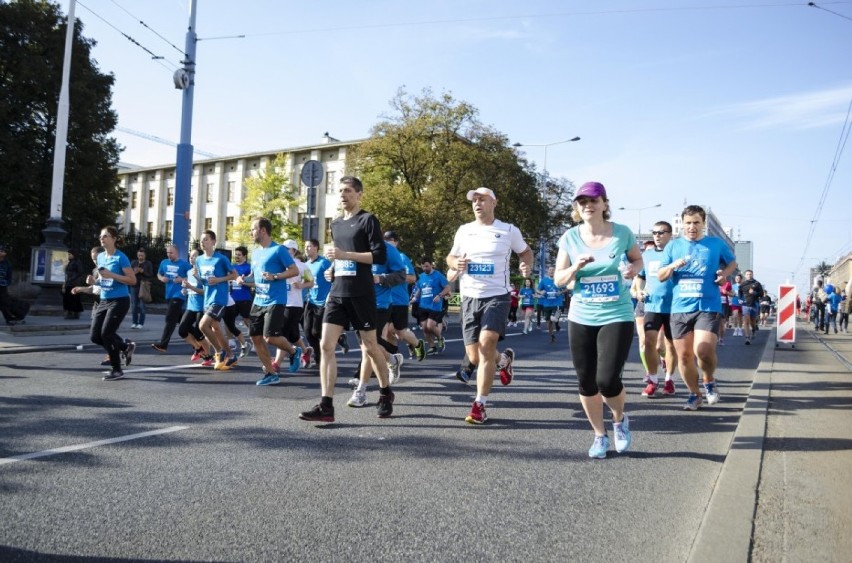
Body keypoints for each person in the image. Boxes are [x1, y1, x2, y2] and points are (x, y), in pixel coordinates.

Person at [553, 182, 641, 458]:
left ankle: (618, 419)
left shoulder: (622, 234)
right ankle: (599, 436)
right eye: (582, 202)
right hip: (581, 314)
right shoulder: (569, 237)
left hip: (617, 313)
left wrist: (631, 270)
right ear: (577, 208)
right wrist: (575, 267)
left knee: (606, 379)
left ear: (604, 204)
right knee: (586, 381)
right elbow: (559, 279)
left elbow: (638, 261)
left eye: (593, 200)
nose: (587, 205)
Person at [299, 176, 393, 422]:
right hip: (338, 292)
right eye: (340, 190)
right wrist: (333, 267)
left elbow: (379, 256)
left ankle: (385, 393)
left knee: (371, 348)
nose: (343, 195)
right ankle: (326, 405)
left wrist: (345, 254)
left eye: (348, 191)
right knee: (325, 345)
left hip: (361, 293)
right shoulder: (337, 223)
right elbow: (339, 257)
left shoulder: (368, 220)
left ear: (359, 194)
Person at [446, 186, 534, 425]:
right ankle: (503, 361)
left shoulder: (508, 230)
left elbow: (525, 252)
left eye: (482, 199)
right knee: (474, 356)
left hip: (497, 296)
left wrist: (525, 266)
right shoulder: (464, 231)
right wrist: (457, 262)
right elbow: (450, 257)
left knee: (486, 345)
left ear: (493, 202)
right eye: (474, 200)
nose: (477, 203)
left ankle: (479, 405)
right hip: (469, 296)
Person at [658, 205, 737, 411]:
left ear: (703, 224)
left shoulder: (715, 244)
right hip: (679, 308)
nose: (692, 227)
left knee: (703, 350)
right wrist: (672, 266)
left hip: (707, 304)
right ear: (682, 224)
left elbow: (732, 263)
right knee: (683, 356)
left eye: (696, 223)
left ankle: (709, 380)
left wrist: (724, 275)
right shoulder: (673, 247)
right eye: (688, 223)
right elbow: (661, 275)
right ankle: (695, 394)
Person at [72, 226, 137, 381]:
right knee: (95, 336)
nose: (102, 238)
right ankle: (124, 347)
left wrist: (112, 275)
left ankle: (117, 369)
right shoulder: (101, 257)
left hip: (120, 300)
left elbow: (132, 280)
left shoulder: (121, 257)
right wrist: (87, 286)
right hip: (104, 300)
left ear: (114, 238)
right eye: (101, 236)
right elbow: (103, 281)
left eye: (106, 236)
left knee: (106, 333)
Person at [245, 218, 300, 385]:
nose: (251, 232)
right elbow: (255, 275)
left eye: (253, 229)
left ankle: (293, 351)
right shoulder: (255, 252)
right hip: (259, 300)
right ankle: (271, 373)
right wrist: (244, 279)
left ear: (263, 230)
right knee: (255, 338)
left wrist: (276, 276)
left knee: (270, 337)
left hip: (276, 299)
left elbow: (294, 270)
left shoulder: (279, 250)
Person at [634, 222, 678, 397]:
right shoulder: (647, 255)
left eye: (661, 232)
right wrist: (639, 290)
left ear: (670, 234)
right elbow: (640, 276)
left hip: (674, 306)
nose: (657, 236)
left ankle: (669, 379)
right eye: (654, 233)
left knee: (670, 345)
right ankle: (653, 380)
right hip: (652, 305)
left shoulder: (677, 253)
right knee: (648, 342)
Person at [196, 230, 239, 370]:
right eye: (202, 240)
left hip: (219, 298)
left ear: (213, 242)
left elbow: (234, 275)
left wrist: (219, 279)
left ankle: (219, 352)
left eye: (206, 239)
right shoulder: (199, 260)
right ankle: (230, 354)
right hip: (207, 298)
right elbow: (204, 281)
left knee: (203, 325)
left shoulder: (221, 259)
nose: (203, 242)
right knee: (216, 328)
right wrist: (196, 278)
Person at [382, 231, 426, 361]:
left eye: (390, 240)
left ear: (396, 242)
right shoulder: (382, 257)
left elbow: (412, 278)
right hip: (384, 300)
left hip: (399, 300)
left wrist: (392, 278)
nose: (387, 242)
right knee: (387, 331)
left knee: (398, 332)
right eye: (385, 240)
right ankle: (393, 359)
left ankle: (417, 344)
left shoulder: (401, 257)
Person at [151, 244, 191, 353]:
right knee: (181, 322)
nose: (169, 255)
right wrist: (161, 278)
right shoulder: (164, 262)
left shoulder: (184, 264)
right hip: (169, 294)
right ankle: (198, 337)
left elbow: (193, 276)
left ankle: (163, 345)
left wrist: (182, 279)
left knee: (169, 319)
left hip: (179, 295)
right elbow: (159, 273)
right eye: (167, 253)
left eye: (171, 253)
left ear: (177, 253)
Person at [302, 238, 332, 369]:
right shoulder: (306, 264)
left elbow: (333, 279)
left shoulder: (324, 263)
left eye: (308, 246)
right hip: (311, 301)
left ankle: (326, 355)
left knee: (316, 332)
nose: (306, 249)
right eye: (305, 247)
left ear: (316, 248)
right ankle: (319, 359)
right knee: (308, 332)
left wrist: (330, 297)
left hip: (323, 302)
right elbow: (308, 282)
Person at [178, 248, 212, 363]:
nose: (191, 258)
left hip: (201, 307)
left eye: (194, 256)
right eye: (190, 256)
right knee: (182, 330)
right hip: (190, 306)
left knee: (198, 332)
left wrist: (191, 287)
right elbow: (189, 288)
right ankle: (198, 348)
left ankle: (208, 355)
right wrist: (185, 290)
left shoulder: (202, 272)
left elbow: (205, 291)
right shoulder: (189, 272)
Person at [413, 258, 451, 354]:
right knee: (425, 328)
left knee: (430, 326)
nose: (425, 268)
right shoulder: (420, 277)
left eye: (427, 266)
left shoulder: (438, 275)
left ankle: (440, 338)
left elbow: (447, 288)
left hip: (435, 306)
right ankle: (432, 347)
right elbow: (420, 290)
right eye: (423, 266)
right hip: (423, 305)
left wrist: (440, 295)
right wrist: (414, 298)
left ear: (431, 265)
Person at [229, 245, 254, 358]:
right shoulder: (232, 267)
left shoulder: (248, 268)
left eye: (239, 255)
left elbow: (253, 284)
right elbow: (228, 278)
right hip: (233, 298)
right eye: (236, 254)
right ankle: (231, 341)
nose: (236, 256)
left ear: (244, 256)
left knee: (247, 320)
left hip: (245, 298)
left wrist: (243, 282)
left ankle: (254, 341)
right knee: (228, 320)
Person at [537, 266, 564, 343]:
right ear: (548, 272)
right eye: (550, 270)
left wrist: (561, 292)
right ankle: (552, 335)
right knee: (548, 322)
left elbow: (567, 288)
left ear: (555, 271)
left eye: (553, 270)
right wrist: (540, 292)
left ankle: (557, 324)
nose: (551, 271)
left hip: (557, 303)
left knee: (554, 318)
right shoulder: (544, 281)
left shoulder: (559, 280)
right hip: (547, 304)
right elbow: (537, 290)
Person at [738, 270, 764, 345]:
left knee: (752, 320)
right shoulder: (742, 284)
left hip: (754, 303)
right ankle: (747, 337)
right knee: (746, 321)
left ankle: (753, 329)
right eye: (747, 274)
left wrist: (755, 293)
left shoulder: (757, 283)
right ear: (745, 275)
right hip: (745, 304)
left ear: (752, 275)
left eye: (750, 274)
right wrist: (740, 299)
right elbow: (740, 292)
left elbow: (761, 294)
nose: (749, 275)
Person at [129, 248, 153, 329]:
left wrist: (142, 271)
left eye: (142, 255)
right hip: (134, 285)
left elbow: (150, 275)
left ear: (145, 255)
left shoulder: (148, 263)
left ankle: (141, 323)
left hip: (143, 286)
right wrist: (135, 271)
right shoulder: (134, 262)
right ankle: (134, 322)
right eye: (139, 255)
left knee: (142, 305)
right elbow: (129, 272)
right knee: (134, 305)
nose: (140, 257)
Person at [62, 249, 85, 319]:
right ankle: (69, 312)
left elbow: (80, 272)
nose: (68, 256)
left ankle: (75, 313)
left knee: (74, 298)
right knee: (67, 298)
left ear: (74, 254)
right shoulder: (69, 262)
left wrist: (72, 279)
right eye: (68, 254)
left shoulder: (77, 262)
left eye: (70, 254)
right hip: (68, 282)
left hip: (74, 283)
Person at [0, 243, 19, 325]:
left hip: (2, 285)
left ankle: (9, 319)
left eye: (3, 251)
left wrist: (7, 283)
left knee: (4, 302)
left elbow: (9, 276)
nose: (1, 252)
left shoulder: (7, 263)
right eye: (1, 251)